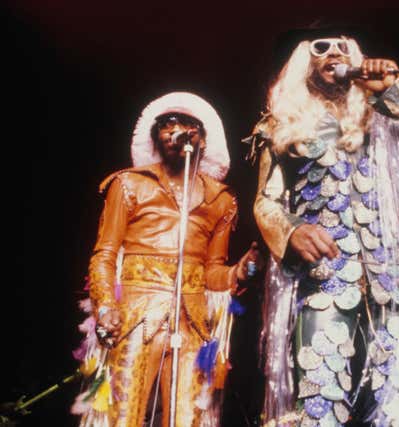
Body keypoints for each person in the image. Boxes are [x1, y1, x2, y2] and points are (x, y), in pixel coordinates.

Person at [246, 31, 399, 427]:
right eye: (321, 47)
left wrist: (392, 92)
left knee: (398, 404)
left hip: (392, 278)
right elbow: (266, 200)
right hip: (327, 281)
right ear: (302, 61)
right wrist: (291, 232)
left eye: (342, 45)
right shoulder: (285, 125)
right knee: (321, 395)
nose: (334, 53)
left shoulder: (381, 118)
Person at [72, 91, 262, 427]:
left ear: (202, 138)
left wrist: (241, 271)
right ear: (156, 138)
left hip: (191, 320)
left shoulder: (222, 199)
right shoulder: (128, 184)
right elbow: (105, 253)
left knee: (187, 418)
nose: (178, 130)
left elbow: (212, 271)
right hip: (135, 316)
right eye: (168, 125)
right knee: (124, 414)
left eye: (189, 125)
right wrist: (105, 306)